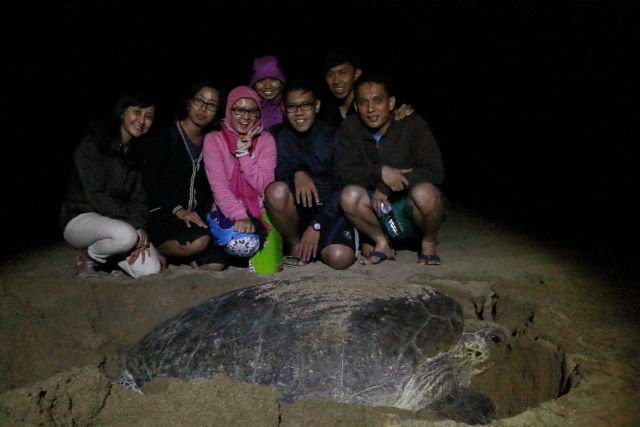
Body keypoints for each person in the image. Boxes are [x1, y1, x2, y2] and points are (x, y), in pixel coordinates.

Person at [336, 71, 446, 266]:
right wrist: (381, 172)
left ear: (391, 102)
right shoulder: (350, 127)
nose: (371, 109)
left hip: (409, 209)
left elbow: (435, 170)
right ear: (355, 106)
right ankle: (382, 242)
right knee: (349, 195)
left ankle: (428, 242)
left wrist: (387, 186)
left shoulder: (412, 124)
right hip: (377, 212)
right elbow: (345, 172)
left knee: (426, 193)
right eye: (363, 102)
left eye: (378, 100)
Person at [60, 91, 163, 278]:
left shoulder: (137, 151)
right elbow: (96, 195)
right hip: (80, 218)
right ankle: (90, 256)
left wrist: (141, 226)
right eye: (137, 112)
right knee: (126, 236)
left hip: (118, 222)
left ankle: (110, 255)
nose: (142, 120)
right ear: (123, 112)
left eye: (149, 116)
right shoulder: (92, 145)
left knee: (150, 269)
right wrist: (134, 227)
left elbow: (139, 198)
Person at [264, 80, 358, 270]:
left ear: (316, 106)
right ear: (284, 109)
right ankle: (296, 245)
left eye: (305, 105)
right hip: (298, 213)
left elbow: (345, 187)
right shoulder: (278, 136)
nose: (299, 112)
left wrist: (317, 225)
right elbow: (280, 171)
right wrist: (298, 172)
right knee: (275, 191)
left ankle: (322, 242)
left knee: (339, 258)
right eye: (292, 106)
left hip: (331, 210)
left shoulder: (335, 136)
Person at [142, 79, 228, 271]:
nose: (203, 108)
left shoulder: (213, 141)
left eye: (211, 105)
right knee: (196, 243)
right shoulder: (165, 135)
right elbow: (151, 181)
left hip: (196, 216)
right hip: (164, 213)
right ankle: (154, 248)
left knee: (216, 264)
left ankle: (181, 258)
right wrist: (177, 209)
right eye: (199, 100)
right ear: (188, 103)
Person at [202, 85, 277, 264]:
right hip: (227, 210)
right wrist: (239, 215)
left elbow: (265, 186)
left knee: (267, 264)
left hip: (261, 210)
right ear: (229, 110)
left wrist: (244, 154)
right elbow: (219, 187)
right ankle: (218, 246)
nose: (245, 117)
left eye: (252, 111)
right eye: (239, 110)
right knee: (244, 243)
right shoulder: (214, 140)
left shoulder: (266, 140)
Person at [320, 49, 414, 128]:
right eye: (330, 74)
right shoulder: (322, 111)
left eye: (343, 72)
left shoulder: (376, 108)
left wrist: (404, 114)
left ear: (356, 74)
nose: (336, 81)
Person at [249, 55, 287, 132]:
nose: (267, 86)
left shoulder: (291, 107)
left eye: (273, 79)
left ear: (282, 82)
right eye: (261, 81)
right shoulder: (247, 108)